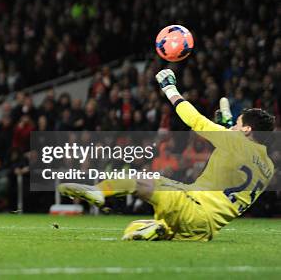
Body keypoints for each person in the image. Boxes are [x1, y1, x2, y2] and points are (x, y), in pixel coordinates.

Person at [58, 69, 276, 241]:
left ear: (247, 130)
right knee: (137, 227)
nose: (235, 127)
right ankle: (163, 229)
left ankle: (99, 192)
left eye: (239, 124)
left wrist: (170, 89)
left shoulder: (235, 141)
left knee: (143, 179)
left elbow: (197, 121)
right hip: (206, 230)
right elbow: (237, 160)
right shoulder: (268, 167)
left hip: (193, 206)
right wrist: (229, 126)